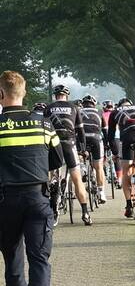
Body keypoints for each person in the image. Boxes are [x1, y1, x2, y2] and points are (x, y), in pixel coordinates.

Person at [0, 70, 63, 286]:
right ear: (24, 93)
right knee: (39, 259)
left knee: (13, 259)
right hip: (37, 198)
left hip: (5, 201)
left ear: (1, 94)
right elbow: (57, 160)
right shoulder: (44, 124)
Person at [45, 85, 91, 225]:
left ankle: (53, 203)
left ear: (55, 96)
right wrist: (83, 149)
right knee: (77, 179)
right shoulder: (74, 108)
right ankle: (85, 213)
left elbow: (44, 129)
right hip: (69, 144)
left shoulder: (48, 108)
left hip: (53, 144)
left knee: (51, 175)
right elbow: (80, 131)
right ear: (67, 96)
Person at [108, 97, 135, 219]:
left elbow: (111, 136)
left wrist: (115, 153)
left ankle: (129, 205)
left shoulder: (115, 112)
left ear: (120, 105)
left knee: (126, 172)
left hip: (127, 138)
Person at [79, 95, 107, 203]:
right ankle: (101, 192)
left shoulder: (78, 111)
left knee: (80, 156)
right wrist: (107, 144)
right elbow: (105, 130)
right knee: (99, 166)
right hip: (96, 139)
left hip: (82, 139)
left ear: (83, 104)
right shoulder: (99, 112)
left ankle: (83, 168)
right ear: (94, 104)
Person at [102, 100, 122, 186]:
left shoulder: (102, 114)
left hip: (103, 137)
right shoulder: (117, 114)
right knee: (117, 157)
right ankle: (119, 179)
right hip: (116, 137)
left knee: (101, 156)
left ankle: (102, 169)